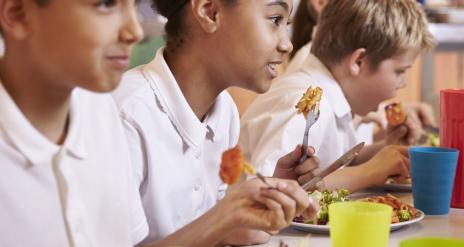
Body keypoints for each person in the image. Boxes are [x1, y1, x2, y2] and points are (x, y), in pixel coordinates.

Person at [113, 0, 318, 245]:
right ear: (210, 13)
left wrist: (262, 202)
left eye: (287, 24)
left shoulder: (224, 113)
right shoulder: (125, 117)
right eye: (275, 20)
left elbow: (205, 232)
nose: (287, 44)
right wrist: (224, 218)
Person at [240, 0, 436, 193]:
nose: (403, 83)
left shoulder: (335, 99)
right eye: (400, 72)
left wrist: (386, 151)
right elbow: (271, 189)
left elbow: (336, 162)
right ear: (358, 61)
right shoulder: (306, 102)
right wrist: (369, 172)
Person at [0, 0, 147, 245]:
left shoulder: (101, 109)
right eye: (106, 4)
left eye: (134, 4)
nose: (135, 32)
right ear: (18, 13)